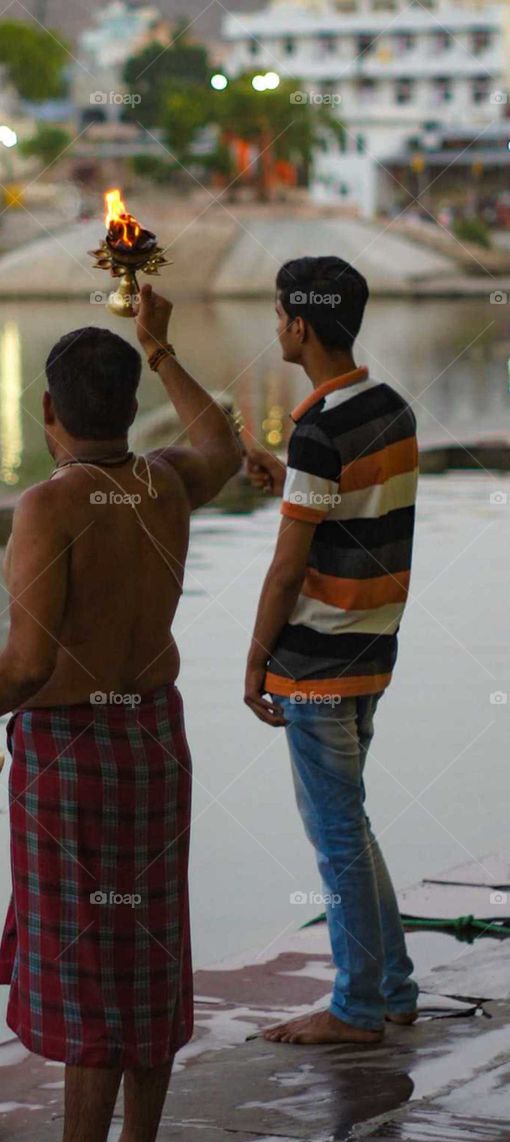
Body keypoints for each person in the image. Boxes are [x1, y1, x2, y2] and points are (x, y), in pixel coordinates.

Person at [0, 287, 242, 1142]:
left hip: (75, 751)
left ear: (47, 412)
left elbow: (28, 664)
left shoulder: (50, 505)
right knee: (147, 949)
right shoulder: (163, 483)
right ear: (130, 409)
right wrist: (163, 348)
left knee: (90, 959)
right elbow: (224, 445)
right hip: (153, 738)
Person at [244, 256, 419, 1046]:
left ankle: (356, 1009)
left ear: (301, 324)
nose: (277, 326)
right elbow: (350, 508)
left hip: (315, 661)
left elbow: (289, 565)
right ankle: (393, 987)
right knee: (354, 825)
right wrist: (288, 479)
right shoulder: (389, 407)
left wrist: (254, 658)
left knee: (338, 836)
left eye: (281, 314)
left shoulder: (317, 427)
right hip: (372, 650)